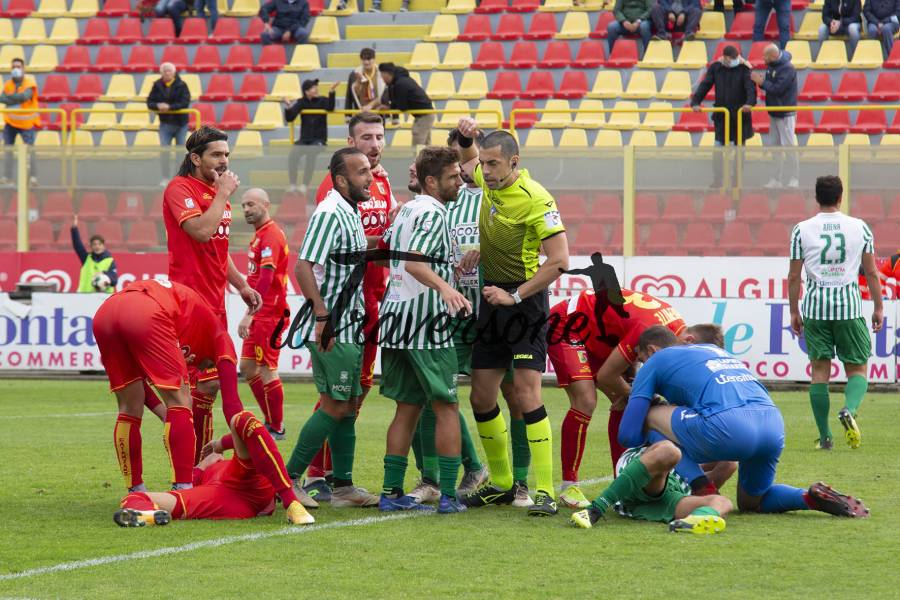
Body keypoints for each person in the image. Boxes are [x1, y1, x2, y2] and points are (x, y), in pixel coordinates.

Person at [571, 326, 871, 530]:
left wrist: (646, 401)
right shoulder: (717, 353)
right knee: (753, 501)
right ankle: (808, 497)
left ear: (649, 350)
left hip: (727, 426)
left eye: (639, 359)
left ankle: (703, 489)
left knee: (651, 415)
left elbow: (627, 434)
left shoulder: (657, 360)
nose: (639, 366)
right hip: (771, 424)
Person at [455, 117, 570, 517]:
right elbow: (466, 156)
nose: (484, 172)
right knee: (481, 395)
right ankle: (501, 483)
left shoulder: (538, 198)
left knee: (526, 395)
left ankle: (544, 490)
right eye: (483, 164)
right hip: (492, 302)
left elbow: (559, 261)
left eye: (493, 165)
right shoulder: (488, 181)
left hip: (524, 304)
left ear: (514, 162)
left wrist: (515, 295)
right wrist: (466, 134)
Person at [304, 112, 395, 502]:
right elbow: (311, 259)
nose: (374, 144)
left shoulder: (382, 181)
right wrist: (322, 312)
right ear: (350, 142)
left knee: (355, 392)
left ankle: (337, 477)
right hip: (342, 305)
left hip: (369, 302)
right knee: (337, 395)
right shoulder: (337, 188)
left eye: (379, 136)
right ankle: (310, 473)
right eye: (366, 137)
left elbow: (367, 241)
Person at [546, 288, 702, 510]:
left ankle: (621, 482)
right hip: (568, 323)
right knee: (586, 401)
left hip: (600, 333)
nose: (643, 362)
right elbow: (606, 376)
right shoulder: (649, 331)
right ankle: (569, 486)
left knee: (628, 399)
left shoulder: (674, 334)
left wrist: (634, 395)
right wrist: (639, 395)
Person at [377, 146, 470, 514]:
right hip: (425, 321)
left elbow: (398, 257)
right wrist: (446, 288)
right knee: (446, 405)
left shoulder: (406, 210)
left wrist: (450, 269)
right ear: (431, 181)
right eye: (453, 177)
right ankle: (448, 495)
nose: (459, 182)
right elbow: (416, 264)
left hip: (396, 314)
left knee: (407, 408)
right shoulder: (432, 212)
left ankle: (390, 492)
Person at [285, 147, 379, 509]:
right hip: (333, 325)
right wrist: (323, 317)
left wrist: (387, 237)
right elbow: (304, 267)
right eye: (361, 172)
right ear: (341, 180)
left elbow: (350, 254)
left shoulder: (349, 210)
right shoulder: (329, 211)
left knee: (349, 405)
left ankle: (343, 488)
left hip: (350, 323)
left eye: (369, 171)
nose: (369, 177)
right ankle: (289, 479)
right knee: (335, 404)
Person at [163, 125, 262, 464]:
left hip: (214, 304)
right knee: (196, 389)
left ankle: (197, 462)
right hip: (187, 304)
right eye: (216, 155)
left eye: (226, 155)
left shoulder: (215, 192)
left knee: (208, 387)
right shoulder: (180, 189)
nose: (224, 161)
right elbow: (202, 232)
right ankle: (192, 466)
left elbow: (218, 250)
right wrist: (222, 195)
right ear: (195, 158)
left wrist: (242, 285)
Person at [93, 279, 246, 493]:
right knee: (182, 401)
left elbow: (137, 383)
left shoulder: (187, 325)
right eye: (208, 364)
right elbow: (232, 404)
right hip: (145, 309)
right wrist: (244, 440)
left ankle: (136, 491)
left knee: (129, 407)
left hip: (107, 311)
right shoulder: (221, 338)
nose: (203, 367)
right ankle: (183, 489)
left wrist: (164, 413)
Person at [788, 175, 883, 450]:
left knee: (819, 371)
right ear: (841, 197)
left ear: (816, 198)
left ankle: (826, 437)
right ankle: (849, 410)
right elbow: (873, 272)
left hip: (816, 308)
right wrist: (878, 306)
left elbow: (794, 276)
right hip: (849, 307)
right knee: (858, 368)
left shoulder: (801, 230)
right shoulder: (860, 228)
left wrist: (794, 311)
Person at [115, 409, 313, 526]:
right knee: (134, 499)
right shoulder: (200, 476)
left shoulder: (203, 474)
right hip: (229, 494)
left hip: (238, 485)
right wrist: (215, 451)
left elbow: (251, 436)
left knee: (243, 422)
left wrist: (220, 445)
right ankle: (150, 516)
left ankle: (291, 502)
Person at [570, 440, 734, 534]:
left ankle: (692, 522)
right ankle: (596, 509)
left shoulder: (686, 477)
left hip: (667, 497)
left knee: (723, 501)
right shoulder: (661, 442)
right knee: (669, 451)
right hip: (642, 475)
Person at [237, 189, 291, 441]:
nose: (246, 209)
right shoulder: (260, 235)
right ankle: (270, 420)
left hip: (270, 314)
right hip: (261, 313)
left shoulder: (270, 235)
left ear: (266, 204)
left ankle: (277, 426)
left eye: (251, 204)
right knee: (248, 367)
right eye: (243, 205)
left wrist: (250, 313)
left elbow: (267, 277)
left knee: (267, 368)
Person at [691, 45, 755, 189]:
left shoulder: (745, 68)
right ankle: (718, 179)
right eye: (731, 59)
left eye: (735, 59)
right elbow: (705, 85)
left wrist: (749, 103)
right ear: (724, 58)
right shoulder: (716, 68)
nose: (733, 61)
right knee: (718, 149)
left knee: (739, 150)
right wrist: (696, 102)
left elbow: (750, 88)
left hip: (740, 116)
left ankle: (737, 179)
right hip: (722, 116)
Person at [751, 44, 799, 189]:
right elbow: (770, 85)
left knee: (789, 147)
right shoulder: (772, 66)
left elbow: (778, 89)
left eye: (765, 56)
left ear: (772, 56)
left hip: (785, 113)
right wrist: (763, 83)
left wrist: (762, 82)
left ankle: (794, 178)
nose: (763, 59)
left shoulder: (788, 68)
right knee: (775, 148)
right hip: (774, 112)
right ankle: (776, 178)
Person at [283, 79, 339, 194]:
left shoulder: (322, 100)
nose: (316, 89)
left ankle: (304, 185)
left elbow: (330, 107)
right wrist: (288, 106)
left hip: (319, 140)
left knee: (311, 153)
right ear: (306, 91)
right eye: (313, 87)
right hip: (304, 140)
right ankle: (293, 184)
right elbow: (290, 118)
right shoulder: (301, 102)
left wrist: (332, 91)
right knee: (293, 154)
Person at [147, 62, 192, 186]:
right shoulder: (157, 85)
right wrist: (157, 105)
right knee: (165, 151)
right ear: (161, 73)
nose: (167, 73)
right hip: (165, 124)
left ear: (174, 72)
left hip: (181, 124)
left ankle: (180, 177)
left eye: (169, 71)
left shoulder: (182, 85)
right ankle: (166, 177)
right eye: (164, 71)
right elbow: (150, 102)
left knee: (180, 152)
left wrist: (169, 107)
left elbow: (185, 103)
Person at [0, 57, 39, 185]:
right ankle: (7, 177)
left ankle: (33, 177)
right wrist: (16, 98)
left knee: (30, 150)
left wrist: (11, 98)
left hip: (26, 123)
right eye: (13, 67)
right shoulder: (7, 84)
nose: (16, 69)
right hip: (10, 123)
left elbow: (25, 96)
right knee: (8, 151)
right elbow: (2, 98)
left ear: (23, 68)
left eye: (18, 66)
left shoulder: (29, 82)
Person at [377, 63, 434, 148]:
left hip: (424, 116)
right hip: (425, 114)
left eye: (382, 76)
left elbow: (402, 106)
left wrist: (388, 108)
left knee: (418, 144)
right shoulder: (401, 80)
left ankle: (419, 161)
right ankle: (428, 161)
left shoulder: (400, 84)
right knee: (426, 144)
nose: (382, 79)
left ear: (387, 74)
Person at [70, 215, 118, 294]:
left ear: (103, 245)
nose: (97, 246)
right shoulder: (86, 258)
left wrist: (104, 274)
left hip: (103, 298)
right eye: (94, 244)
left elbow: (114, 280)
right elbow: (77, 245)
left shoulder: (110, 261)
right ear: (91, 246)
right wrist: (74, 229)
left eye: (99, 244)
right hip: (84, 297)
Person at [346, 48, 385, 114]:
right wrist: (347, 115)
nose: (366, 62)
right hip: (361, 112)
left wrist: (370, 105)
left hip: (379, 113)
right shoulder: (355, 74)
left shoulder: (382, 72)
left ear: (374, 59)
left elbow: (386, 95)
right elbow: (350, 95)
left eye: (369, 59)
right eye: (364, 59)